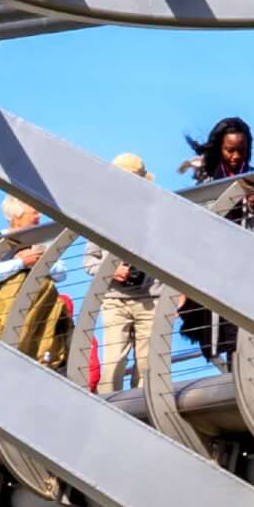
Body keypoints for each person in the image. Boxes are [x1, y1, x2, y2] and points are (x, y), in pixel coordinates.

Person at [176, 118, 254, 362]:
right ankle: (240, 377)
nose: (234, 156)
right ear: (219, 149)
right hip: (219, 272)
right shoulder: (206, 185)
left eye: (240, 150)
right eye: (229, 150)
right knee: (230, 334)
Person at [0, 198, 87, 383]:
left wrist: (39, 261)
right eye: (34, 212)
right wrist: (20, 263)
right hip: (7, 308)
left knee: (42, 350)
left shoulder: (42, 239)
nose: (39, 215)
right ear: (16, 215)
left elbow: (61, 273)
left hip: (41, 307)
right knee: (13, 350)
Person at [91, 157, 166, 396]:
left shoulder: (157, 214)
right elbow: (88, 261)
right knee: (113, 364)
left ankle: (144, 414)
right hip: (114, 299)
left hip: (151, 298)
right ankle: (109, 410)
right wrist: (111, 271)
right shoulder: (100, 216)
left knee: (147, 365)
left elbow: (170, 257)